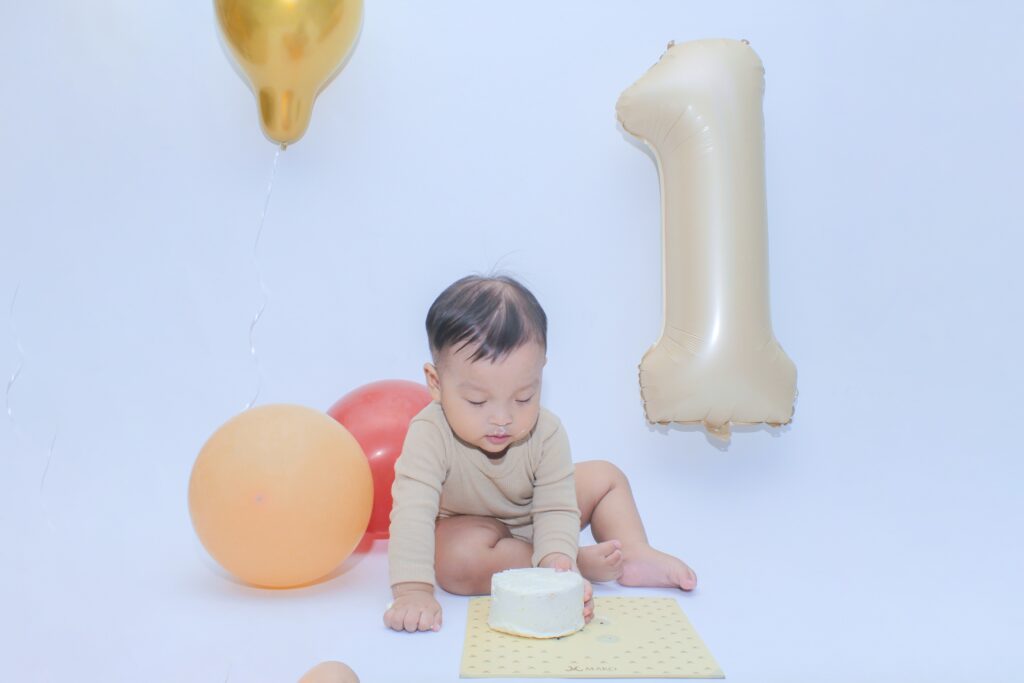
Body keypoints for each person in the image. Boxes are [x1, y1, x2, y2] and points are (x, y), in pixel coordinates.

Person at [383, 275, 697, 633]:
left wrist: (556, 560)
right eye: (477, 401)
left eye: (523, 398)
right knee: (455, 561)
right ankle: (578, 561)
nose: (502, 418)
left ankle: (633, 552)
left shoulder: (546, 432)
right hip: (472, 529)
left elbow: (555, 507)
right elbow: (412, 512)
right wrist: (412, 590)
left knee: (606, 478)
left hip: (534, 517)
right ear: (436, 384)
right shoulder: (429, 433)